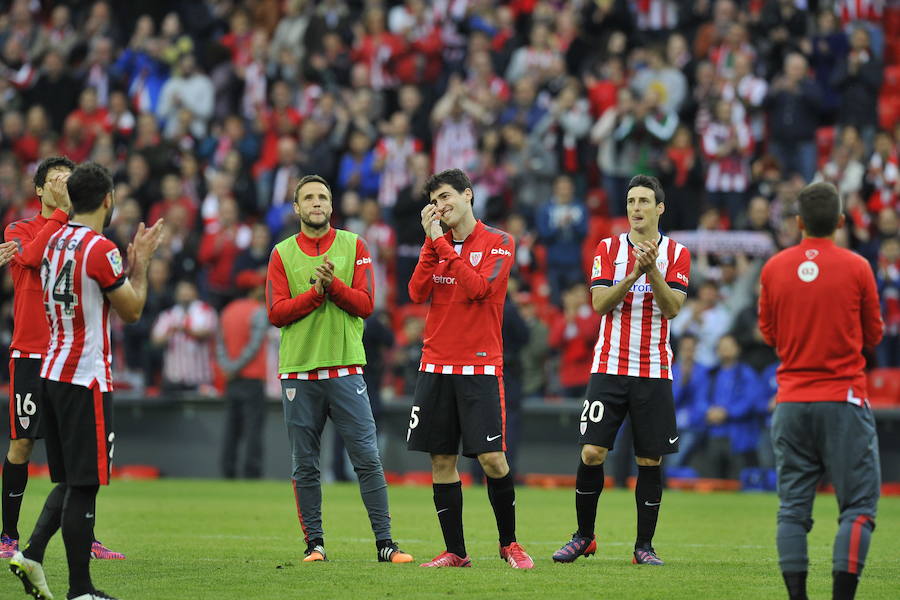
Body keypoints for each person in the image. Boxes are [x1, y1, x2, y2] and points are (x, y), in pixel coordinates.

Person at [10, 162, 164, 600]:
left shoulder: (53, 242)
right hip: (86, 376)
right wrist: (142, 264)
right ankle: (80, 589)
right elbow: (132, 311)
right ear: (108, 199)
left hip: (51, 371)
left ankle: (33, 553)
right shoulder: (99, 249)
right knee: (86, 482)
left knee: (70, 479)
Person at [265, 174, 412, 564]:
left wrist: (331, 288)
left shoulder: (354, 245)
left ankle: (385, 543)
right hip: (298, 371)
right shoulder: (281, 253)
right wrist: (316, 293)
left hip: (346, 369)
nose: (317, 203)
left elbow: (365, 303)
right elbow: (276, 313)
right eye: (309, 198)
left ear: (331, 206)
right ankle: (315, 544)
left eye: (323, 197)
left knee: (367, 459)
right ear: (296, 208)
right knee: (305, 465)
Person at [552, 174, 690, 566]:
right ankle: (584, 536)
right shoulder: (608, 248)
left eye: (644, 201)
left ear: (659, 208)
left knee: (650, 459)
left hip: (654, 369)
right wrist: (633, 273)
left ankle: (643, 546)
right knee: (592, 452)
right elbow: (598, 304)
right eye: (631, 201)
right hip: (609, 367)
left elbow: (673, 308)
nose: (636, 208)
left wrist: (653, 272)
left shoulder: (678, 253)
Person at [758, 181, 884, 600]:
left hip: (791, 401)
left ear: (798, 223)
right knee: (858, 508)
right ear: (842, 222)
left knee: (793, 510)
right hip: (843, 400)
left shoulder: (774, 267)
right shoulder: (857, 267)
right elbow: (874, 334)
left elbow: (769, 333)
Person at [407, 168, 534, 569]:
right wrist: (433, 246)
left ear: (468, 196)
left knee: (492, 459)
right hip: (436, 365)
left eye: (446, 197)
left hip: (479, 367)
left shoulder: (499, 241)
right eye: (435, 201)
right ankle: (456, 551)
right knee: (441, 461)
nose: (440, 206)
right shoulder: (435, 244)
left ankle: (509, 543)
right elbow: (416, 292)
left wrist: (443, 246)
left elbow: (480, 289)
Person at [1, 157, 123, 562]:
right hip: (31, 352)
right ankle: (8, 536)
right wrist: (57, 214)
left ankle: (84, 537)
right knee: (21, 443)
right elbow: (33, 257)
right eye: (55, 180)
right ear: (39, 190)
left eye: (69, 180)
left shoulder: (79, 233)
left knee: (78, 450)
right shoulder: (20, 229)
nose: (63, 185)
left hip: (68, 355)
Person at [217, 271, 270, 479]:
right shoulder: (259, 312)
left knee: (231, 427)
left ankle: (227, 469)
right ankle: (251, 472)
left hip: (231, 379)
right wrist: (237, 366)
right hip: (252, 378)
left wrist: (227, 367)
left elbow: (220, 343)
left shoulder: (227, 311)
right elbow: (254, 346)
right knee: (253, 429)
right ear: (254, 289)